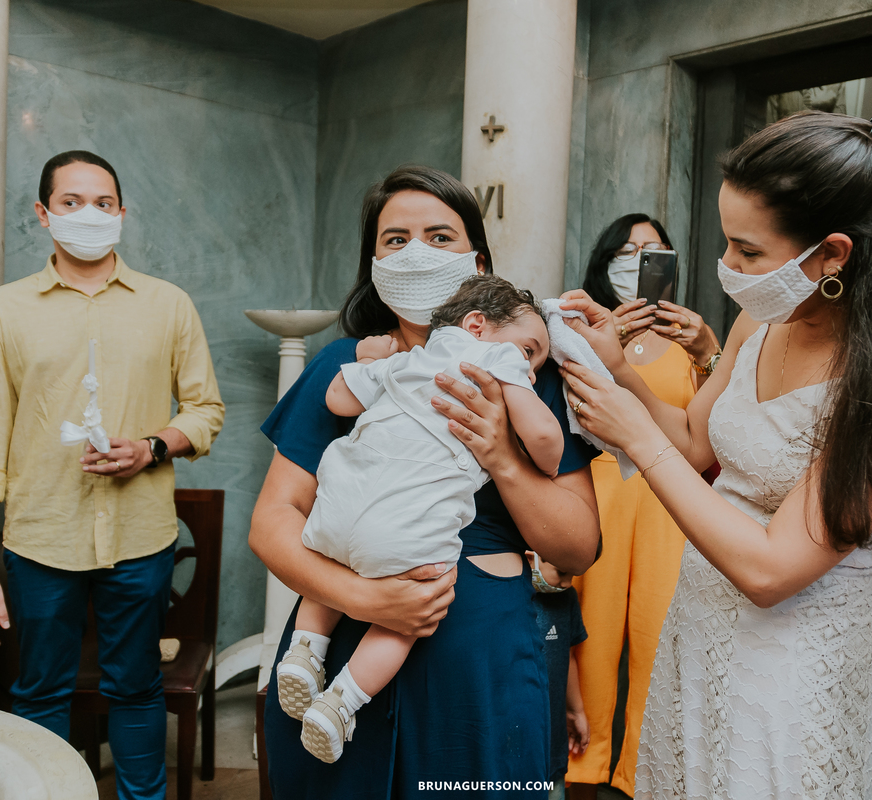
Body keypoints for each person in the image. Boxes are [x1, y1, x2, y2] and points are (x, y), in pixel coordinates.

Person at [559, 112, 872, 798]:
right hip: (696, 633)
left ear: (833, 255)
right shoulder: (761, 320)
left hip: (788, 667)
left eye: (747, 251)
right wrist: (619, 372)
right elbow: (697, 442)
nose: (727, 267)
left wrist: (635, 437)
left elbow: (771, 570)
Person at [249, 164, 601, 798]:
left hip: (478, 659)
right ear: (373, 262)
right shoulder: (346, 364)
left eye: (440, 237)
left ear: (479, 262)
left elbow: (577, 547)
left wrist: (500, 454)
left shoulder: (532, 371)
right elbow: (273, 522)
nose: (416, 253)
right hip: (339, 644)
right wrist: (364, 599)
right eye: (395, 239)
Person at [0, 150, 225, 800]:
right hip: (39, 540)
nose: (89, 215)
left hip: (140, 538)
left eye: (103, 203)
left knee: (135, 688)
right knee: (39, 691)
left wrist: (152, 448)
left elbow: (206, 410)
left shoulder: (168, 304)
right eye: (72, 202)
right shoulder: (3, 310)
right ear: (43, 214)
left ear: (123, 213)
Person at [276, 275, 564, 763]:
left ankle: (304, 652)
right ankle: (341, 701)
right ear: (477, 326)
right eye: (531, 351)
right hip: (404, 531)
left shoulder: (407, 361)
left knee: (334, 566)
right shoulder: (496, 363)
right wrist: (525, 429)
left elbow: (337, 400)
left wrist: (371, 363)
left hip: (339, 500)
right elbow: (547, 445)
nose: (533, 369)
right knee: (415, 608)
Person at [568, 214, 721, 799]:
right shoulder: (578, 327)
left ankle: (644, 773)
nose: (639, 258)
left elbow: (717, 428)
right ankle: (584, 765)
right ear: (606, 261)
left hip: (671, 499)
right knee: (593, 636)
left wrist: (708, 348)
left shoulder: (689, 339)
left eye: (654, 250)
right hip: (601, 491)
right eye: (627, 250)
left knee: (661, 634)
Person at [526, 553, 589, 800]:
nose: (568, 582)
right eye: (562, 573)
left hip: (553, 742)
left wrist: (577, 711)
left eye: (574, 575)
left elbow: (568, 655)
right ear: (531, 556)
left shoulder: (567, 598)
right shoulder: (509, 598)